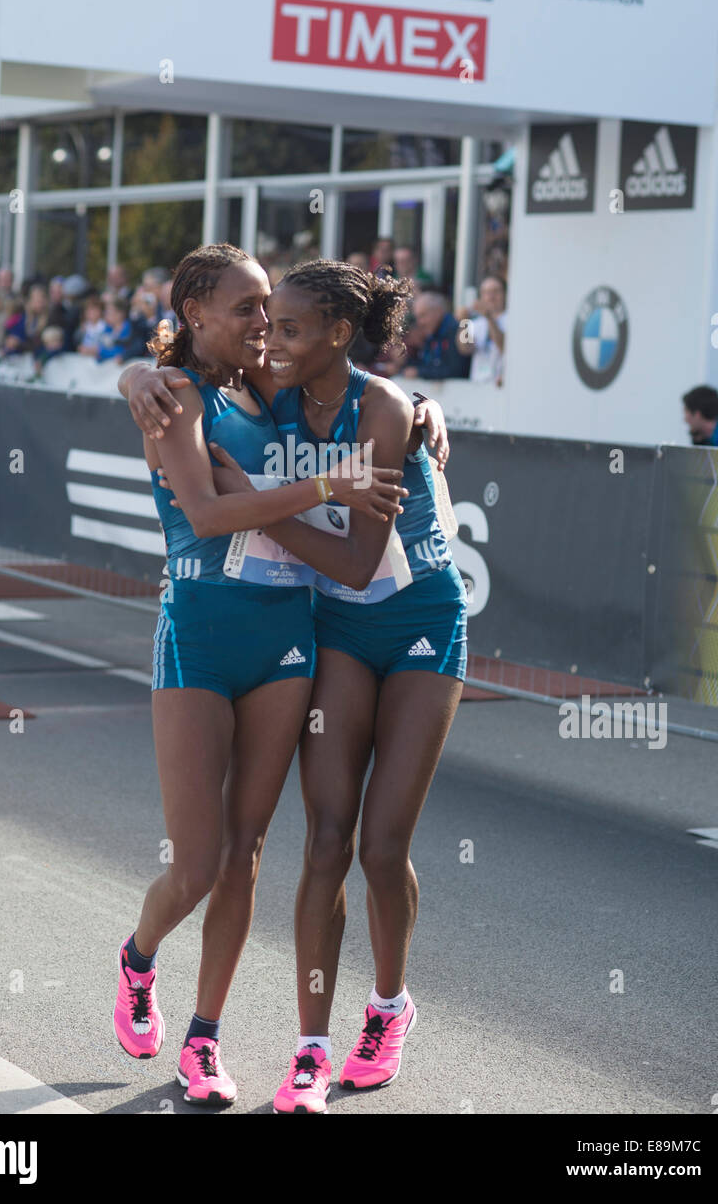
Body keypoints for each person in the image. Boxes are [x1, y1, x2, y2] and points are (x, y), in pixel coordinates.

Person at [121, 257, 465, 1113]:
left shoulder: (319, 395)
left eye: (276, 317)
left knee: (319, 850)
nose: (266, 332)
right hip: (262, 632)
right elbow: (202, 482)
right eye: (254, 313)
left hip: (352, 629)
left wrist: (421, 407)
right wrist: (134, 373)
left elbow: (354, 535)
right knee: (254, 856)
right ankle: (186, 987)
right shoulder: (223, 389)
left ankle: (316, 1021)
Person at [403, 288, 471, 380]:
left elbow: (456, 370)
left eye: (423, 315)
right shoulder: (431, 332)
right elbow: (423, 364)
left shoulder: (456, 330)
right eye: (417, 317)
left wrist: (419, 372)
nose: (420, 322)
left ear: (438, 311)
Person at [456, 275, 507, 384]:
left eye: (496, 291)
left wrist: (489, 318)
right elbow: (465, 349)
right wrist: (464, 322)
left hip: (502, 383)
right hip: (479, 382)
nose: (491, 297)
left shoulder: (512, 319)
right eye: (486, 293)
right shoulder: (476, 322)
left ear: (505, 294)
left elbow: (504, 347)